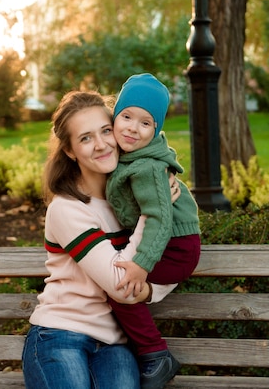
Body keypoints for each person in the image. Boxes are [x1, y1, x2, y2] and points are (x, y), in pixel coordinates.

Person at [22, 90, 180, 389]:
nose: (102, 144)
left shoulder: (131, 197)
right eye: (85, 138)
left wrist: (146, 291)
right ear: (70, 151)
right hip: (60, 334)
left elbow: (173, 262)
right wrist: (154, 212)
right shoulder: (67, 208)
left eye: (106, 131)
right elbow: (120, 287)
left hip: (115, 343)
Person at [106, 73, 202, 389]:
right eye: (127, 116)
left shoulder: (147, 167)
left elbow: (159, 219)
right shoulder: (129, 156)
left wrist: (141, 265)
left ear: (157, 130)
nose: (133, 127)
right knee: (123, 287)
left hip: (175, 245)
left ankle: (155, 355)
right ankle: (148, 351)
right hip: (166, 240)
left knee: (123, 290)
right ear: (115, 117)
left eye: (145, 123)